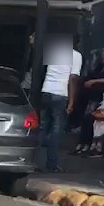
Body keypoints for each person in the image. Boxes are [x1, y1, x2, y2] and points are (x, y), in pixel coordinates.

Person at [37, 35, 83, 173]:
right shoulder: (76, 56)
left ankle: (35, 161)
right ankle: (51, 164)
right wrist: (71, 102)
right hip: (60, 94)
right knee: (56, 131)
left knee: (42, 128)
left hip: (46, 91)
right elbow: (73, 79)